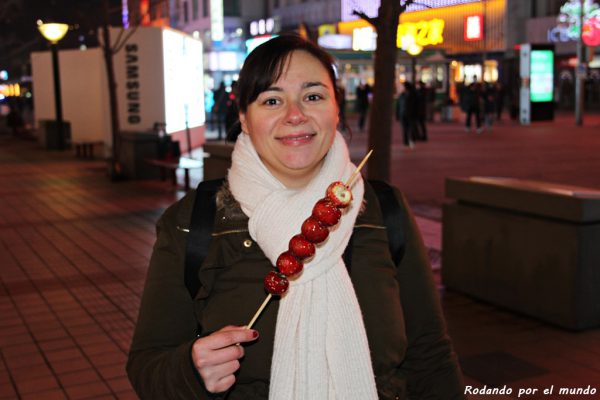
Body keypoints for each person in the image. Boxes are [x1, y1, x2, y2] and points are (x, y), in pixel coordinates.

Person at [127, 34, 464, 399]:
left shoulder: (384, 210)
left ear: (337, 109)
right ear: (243, 116)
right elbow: (147, 366)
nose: (294, 115)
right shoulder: (193, 221)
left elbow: (430, 355)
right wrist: (190, 370)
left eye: (313, 96)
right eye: (272, 100)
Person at [396, 82, 418, 149]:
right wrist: (397, 115)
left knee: (411, 128)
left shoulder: (413, 95)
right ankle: (406, 141)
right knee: (405, 129)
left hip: (410, 114)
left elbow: (416, 106)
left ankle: (411, 140)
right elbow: (398, 106)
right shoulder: (402, 95)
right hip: (403, 114)